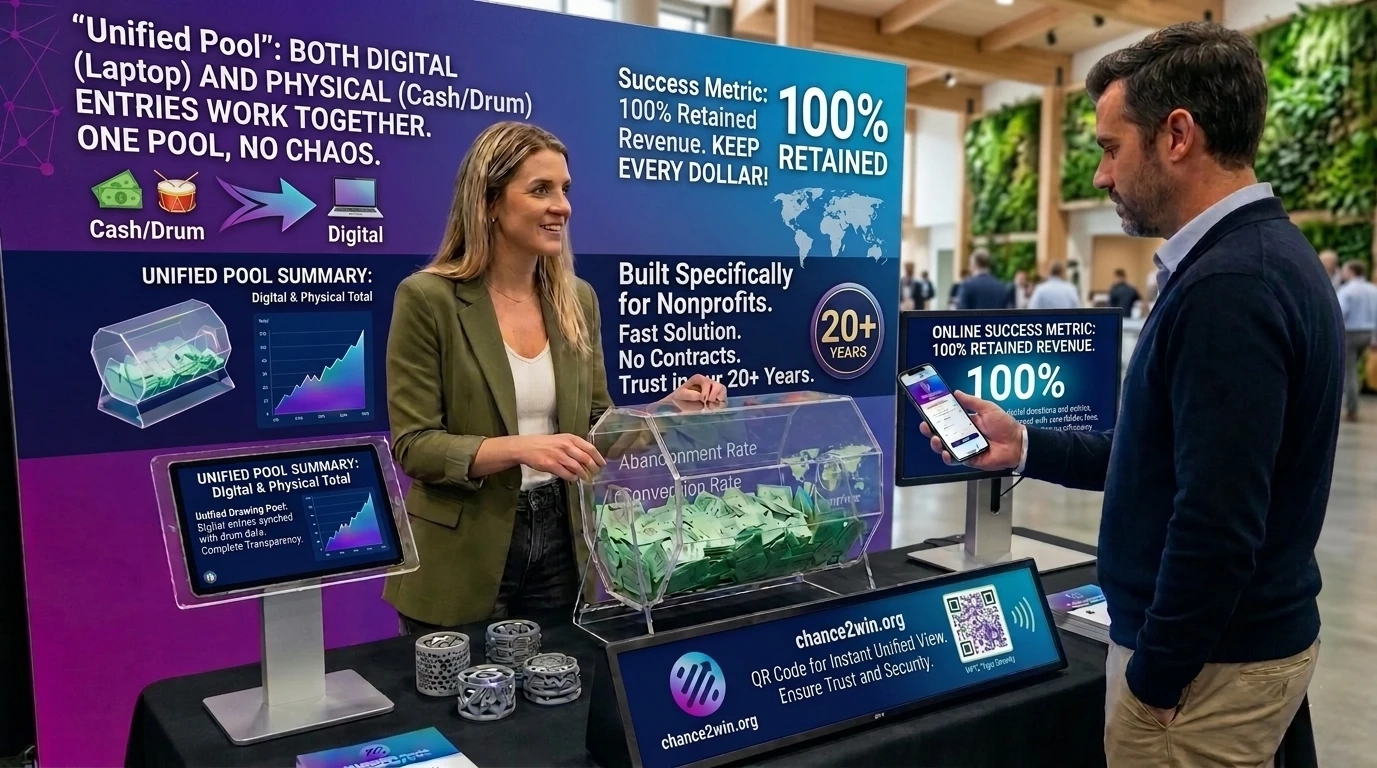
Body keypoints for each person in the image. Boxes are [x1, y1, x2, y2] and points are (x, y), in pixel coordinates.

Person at [921, 24, 1342, 767]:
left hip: (1201, 680)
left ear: (1176, 135)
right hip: (1223, 657)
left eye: (1110, 148)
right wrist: (1027, 445)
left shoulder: (1230, 287)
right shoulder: (1256, 259)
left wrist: (1155, 678)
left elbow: (1217, 522)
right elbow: (1173, 460)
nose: (1100, 176)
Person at [382, 121, 726, 633]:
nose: (561, 206)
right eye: (540, 190)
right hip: (462, 555)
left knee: (562, 682)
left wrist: (666, 409)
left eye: (564, 189)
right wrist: (523, 449)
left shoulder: (577, 300)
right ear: (489, 201)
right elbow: (415, 446)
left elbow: (594, 426)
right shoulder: (427, 298)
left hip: (562, 545)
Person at [1337, 260, 1377, 422]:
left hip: (1350, 332)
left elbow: (1340, 313)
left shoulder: (1347, 290)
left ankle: (1352, 408)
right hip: (1367, 333)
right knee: (1353, 368)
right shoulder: (1373, 290)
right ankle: (1352, 404)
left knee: (1349, 371)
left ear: (1351, 272)